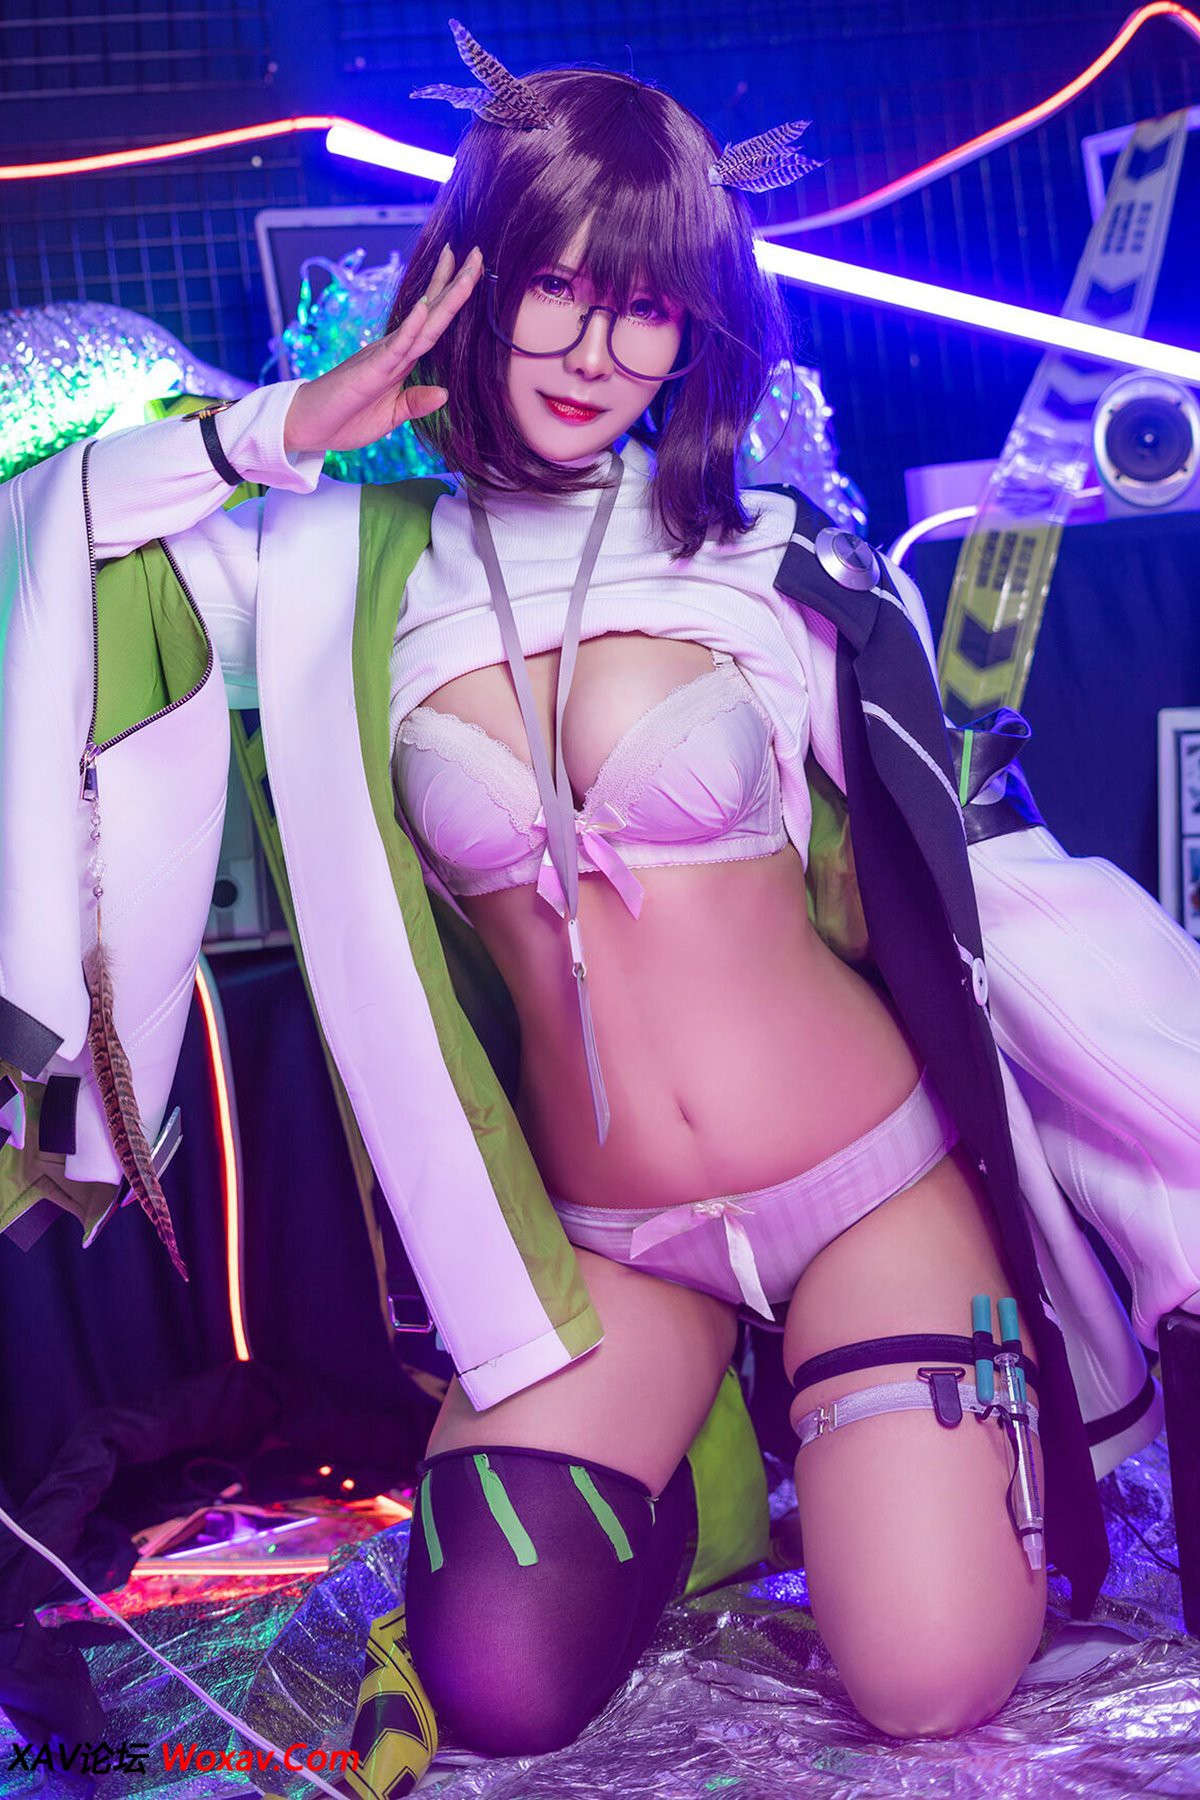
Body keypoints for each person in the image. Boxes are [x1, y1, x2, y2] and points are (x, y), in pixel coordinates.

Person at [2, 22, 1197, 1764]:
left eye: (646, 305)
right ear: (472, 280)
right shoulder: (329, 574)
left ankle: (909, 1433)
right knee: (497, 1684)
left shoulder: (769, 561)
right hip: (608, 1246)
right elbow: (52, 535)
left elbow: (960, 885)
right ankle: (711, 1463)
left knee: (924, 1681)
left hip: (870, 1185)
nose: (595, 348)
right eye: (557, 286)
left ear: (693, 328)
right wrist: (276, 434)